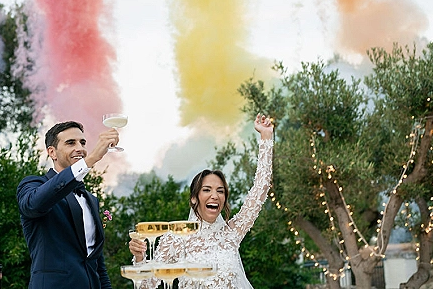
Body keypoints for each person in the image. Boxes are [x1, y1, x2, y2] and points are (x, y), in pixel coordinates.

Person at [129, 114, 274, 289]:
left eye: (220, 191)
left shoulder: (232, 234)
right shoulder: (175, 238)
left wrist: (266, 137)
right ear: (194, 198)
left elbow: (261, 188)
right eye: (207, 190)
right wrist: (139, 257)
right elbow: (146, 286)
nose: (215, 195)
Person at [17, 121, 118, 289]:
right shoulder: (33, 185)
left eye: (83, 142)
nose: (80, 148)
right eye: (71, 143)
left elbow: (98, 265)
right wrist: (90, 159)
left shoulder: (91, 200)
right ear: (52, 152)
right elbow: (34, 204)